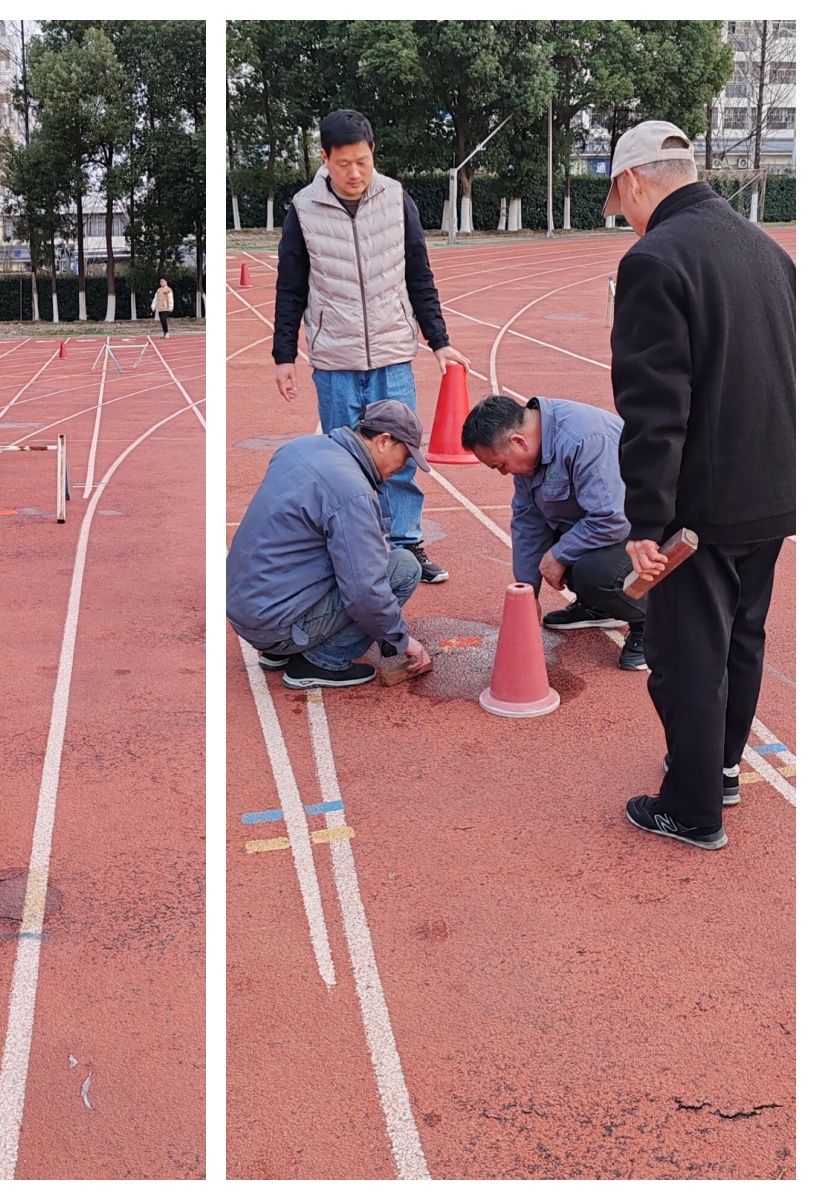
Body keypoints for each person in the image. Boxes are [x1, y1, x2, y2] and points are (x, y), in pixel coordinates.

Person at [605, 120, 795, 851]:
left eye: (619, 201)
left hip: (701, 506)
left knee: (688, 654)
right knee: (743, 636)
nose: (624, 217)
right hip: (771, 488)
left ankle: (692, 810)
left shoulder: (655, 259)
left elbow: (655, 407)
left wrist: (645, 521)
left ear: (633, 180)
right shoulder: (769, 252)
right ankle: (720, 769)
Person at [273, 109, 472, 587]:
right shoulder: (303, 209)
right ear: (325, 158)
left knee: (400, 453)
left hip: (392, 353)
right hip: (335, 359)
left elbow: (419, 275)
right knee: (344, 463)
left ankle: (406, 543)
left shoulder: (397, 199)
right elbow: (291, 288)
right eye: (344, 164)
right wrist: (284, 356)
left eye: (363, 161)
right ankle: (355, 550)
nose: (355, 173)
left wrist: (439, 341)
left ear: (373, 153)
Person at [227, 399, 434, 690]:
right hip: (274, 625)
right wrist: (401, 639)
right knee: (404, 568)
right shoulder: (353, 492)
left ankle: (279, 651)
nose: (402, 467)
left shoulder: (299, 447)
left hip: (244, 608)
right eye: (405, 457)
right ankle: (321, 661)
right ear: (384, 441)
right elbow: (366, 591)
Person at [462, 394, 646, 671]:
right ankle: (599, 607)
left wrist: (559, 554)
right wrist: (527, 594)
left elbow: (613, 519)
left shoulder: (585, 440)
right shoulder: (530, 457)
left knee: (593, 571)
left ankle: (652, 624)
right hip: (612, 527)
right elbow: (527, 522)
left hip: (650, 529)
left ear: (518, 441)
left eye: (500, 465)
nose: (503, 473)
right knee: (554, 548)